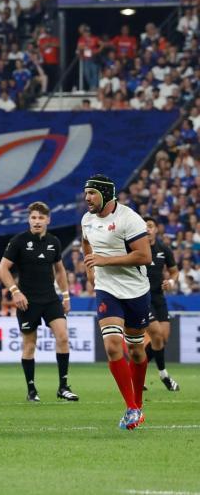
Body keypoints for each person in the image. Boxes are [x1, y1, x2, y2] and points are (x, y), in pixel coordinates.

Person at [81, 174, 152, 430]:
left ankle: (139, 403)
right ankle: (131, 408)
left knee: (135, 349)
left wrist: (104, 261)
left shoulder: (128, 219)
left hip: (136, 291)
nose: (87, 198)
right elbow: (87, 244)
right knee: (112, 346)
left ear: (106, 194)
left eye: (92, 193)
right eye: (85, 193)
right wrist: (91, 269)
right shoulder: (87, 220)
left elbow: (144, 255)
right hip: (107, 290)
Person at [0, 201, 79, 402]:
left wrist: (66, 295)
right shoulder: (18, 241)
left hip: (51, 298)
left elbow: (60, 270)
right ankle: (32, 390)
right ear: (29, 220)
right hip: (27, 301)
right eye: (33, 218)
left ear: (48, 220)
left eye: (41, 218)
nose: (37, 221)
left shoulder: (54, 242)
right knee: (29, 345)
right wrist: (15, 292)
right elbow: (3, 269)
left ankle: (63, 387)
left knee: (63, 337)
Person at [144, 216, 180, 391]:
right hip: (143, 298)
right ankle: (164, 374)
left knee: (162, 338)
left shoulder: (163, 249)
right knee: (156, 334)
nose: (147, 229)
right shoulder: (136, 249)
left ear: (156, 229)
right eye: (144, 226)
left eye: (150, 226)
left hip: (159, 298)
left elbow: (174, 272)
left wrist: (171, 282)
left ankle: (135, 369)